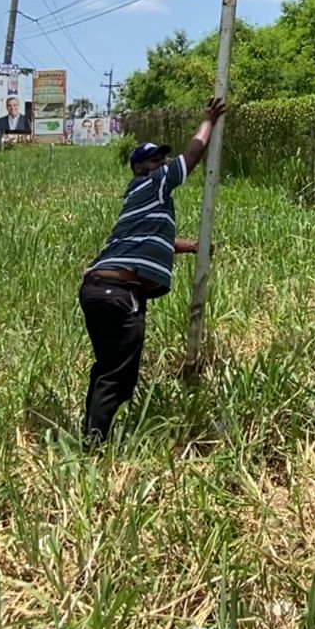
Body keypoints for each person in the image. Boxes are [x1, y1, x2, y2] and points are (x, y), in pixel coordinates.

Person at [77, 97, 224, 445]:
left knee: (106, 368)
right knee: (118, 377)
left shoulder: (138, 198)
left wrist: (190, 247)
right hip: (120, 295)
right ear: (142, 168)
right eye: (156, 159)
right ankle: (94, 444)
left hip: (97, 288)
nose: (163, 162)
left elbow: (148, 240)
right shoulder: (155, 182)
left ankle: (91, 434)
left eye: (162, 158)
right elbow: (191, 156)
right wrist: (208, 120)